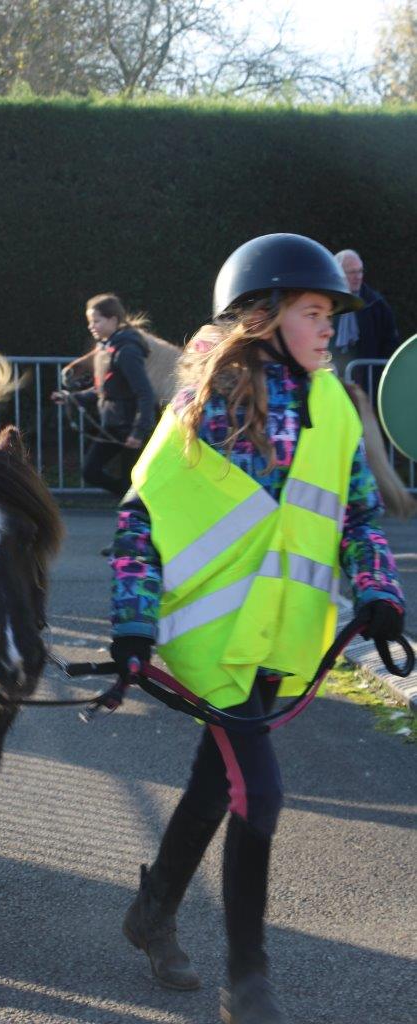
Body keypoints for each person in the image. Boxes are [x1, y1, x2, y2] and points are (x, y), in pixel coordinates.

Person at [108, 234, 405, 1024]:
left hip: (280, 636)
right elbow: (142, 515)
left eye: (333, 316)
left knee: (216, 784)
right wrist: (133, 627)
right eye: (315, 313)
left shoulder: (334, 402)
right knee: (258, 792)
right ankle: (249, 978)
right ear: (263, 316)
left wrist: (378, 592)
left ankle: (152, 910)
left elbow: (357, 513)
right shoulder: (208, 405)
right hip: (215, 643)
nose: (331, 331)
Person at [51, 293, 156, 499]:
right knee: (91, 471)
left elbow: (145, 393)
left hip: (129, 428)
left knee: (129, 481)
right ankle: (133, 505)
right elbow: (103, 391)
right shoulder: (107, 348)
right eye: (90, 322)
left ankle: (134, 509)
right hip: (112, 427)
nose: (91, 326)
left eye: (96, 321)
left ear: (113, 320)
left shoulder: (126, 352)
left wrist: (138, 431)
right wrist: (71, 398)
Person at [332, 249, 399, 383]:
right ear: (339, 274)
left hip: (366, 380)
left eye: (360, 271)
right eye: (352, 272)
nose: (358, 277)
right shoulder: (327, 303)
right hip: (334, 376)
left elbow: (390, 344)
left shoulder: (376, 305)